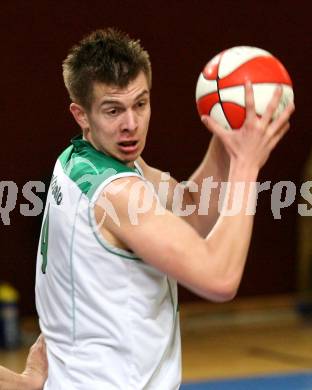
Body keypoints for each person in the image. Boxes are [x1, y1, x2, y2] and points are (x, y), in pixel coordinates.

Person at [34, 28, 294, 389]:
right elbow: (219, 278)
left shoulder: (80, 160)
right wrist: (245, 166)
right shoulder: (119, 193)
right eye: (113, 110)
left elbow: (189, 210)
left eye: (140, 104)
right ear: (81, 114)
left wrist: (227, 132)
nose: (131, 124)